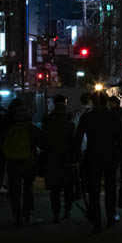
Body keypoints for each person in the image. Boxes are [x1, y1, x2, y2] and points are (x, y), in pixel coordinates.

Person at [75, 92, 122, 232]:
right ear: (106, 102)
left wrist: (76, 157)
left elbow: (78, 139)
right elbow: (121, 138)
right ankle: (111, 217)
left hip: (92, 157)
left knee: (94, 190)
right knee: (111, 188)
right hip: (111, 156)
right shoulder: (113, 117)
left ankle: (96, 221)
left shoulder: (87, 117)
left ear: (92, 102)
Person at [2, 104, 41, 225]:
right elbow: (42, 144)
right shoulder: (33, 129)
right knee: (28, 188)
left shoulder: (11, 128)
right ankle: (27, 214)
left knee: (15, 191)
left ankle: (17, 215)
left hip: (13, 163)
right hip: (29, 162)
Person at [41, 94, 76, 223]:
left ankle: (56, 213)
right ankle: (67, 210)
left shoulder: (48, 123)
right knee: (68, 189)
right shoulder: (70, 125)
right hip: (66, 160)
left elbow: (43, 142)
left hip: (52, 160)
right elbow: (74, 143)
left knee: (54, 190)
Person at [0, 98, 23, 193]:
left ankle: (0, 185)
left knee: (2, 166)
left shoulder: (4, 117)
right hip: (15, 146)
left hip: (5, 145)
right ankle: (11, 185)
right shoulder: (18, 120)